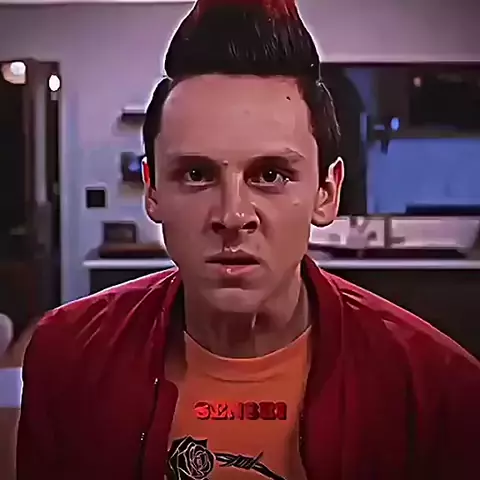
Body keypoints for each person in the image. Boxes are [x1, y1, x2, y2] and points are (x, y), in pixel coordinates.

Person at [17, 0, 480, 479]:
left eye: (271, 174)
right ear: (152, 191)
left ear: (327, 192)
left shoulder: (437, 388)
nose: (232, 216)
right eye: (196, 174)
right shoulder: (67, 356)